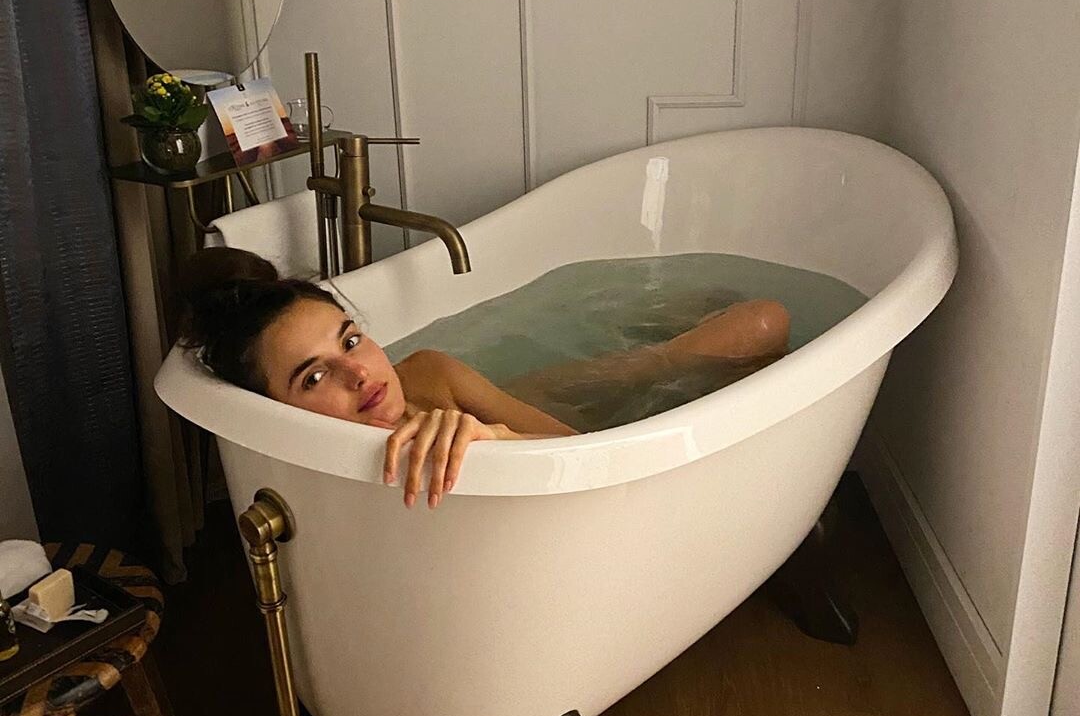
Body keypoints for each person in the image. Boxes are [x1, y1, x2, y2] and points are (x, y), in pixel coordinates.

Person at [178, 248, 790, 512]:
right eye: (314, 377)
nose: (359, 373)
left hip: (524, 400)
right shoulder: (326, 485)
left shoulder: (428, 372)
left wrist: (492, 433)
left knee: (760, 323)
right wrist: (491, 446)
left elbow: (579, 449)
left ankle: (675, 326)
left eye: (351, 340)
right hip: (495, 415)